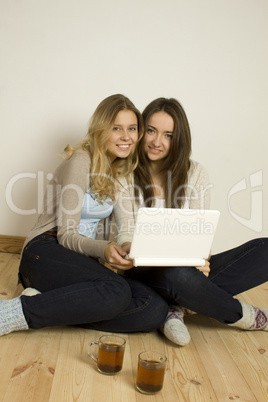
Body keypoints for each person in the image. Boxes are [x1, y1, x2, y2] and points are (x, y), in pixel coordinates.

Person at [0, 94, 169, 337]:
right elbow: (66, 235)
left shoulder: (121, 169)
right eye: (116, 128)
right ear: (101, 130)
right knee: (116, 291)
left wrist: (128, 247)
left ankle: (47, 303)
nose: (126, 137)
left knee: (153, 308)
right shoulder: (81, 161)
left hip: (80, 260)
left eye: (132, 128)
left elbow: (125, 228)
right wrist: (105, 248)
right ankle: (14, 313)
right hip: (46, 250)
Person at [113, 97, 268, 346]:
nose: (156, 142)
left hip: (186, 267)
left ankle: (177, 308)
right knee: (179, 277)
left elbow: (201, 230)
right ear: (142, 132)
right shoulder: (123, 173)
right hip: (141, 272)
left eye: (168, 135)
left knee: (264, 250)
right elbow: (125, 233)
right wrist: (135, 248)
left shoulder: (196, 173)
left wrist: (202, 260)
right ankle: (245, 316)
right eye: (151, 131)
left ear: (179, 139)